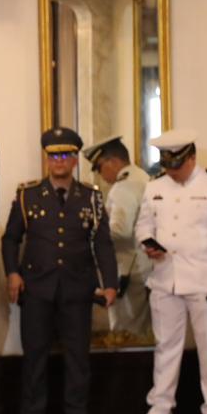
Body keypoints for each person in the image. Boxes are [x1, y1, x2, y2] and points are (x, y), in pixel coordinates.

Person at [1, 127, 117, 414]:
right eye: (54, 155)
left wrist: (110, 284)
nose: (60, 161)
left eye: (66, 155)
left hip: (77, 288)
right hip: (37, 288)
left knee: (78, 356)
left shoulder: (90, 197)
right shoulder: (27, 195)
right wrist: (12, 272)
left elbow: (102, 243)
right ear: (47, 158)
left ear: (76, 159)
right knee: (35, 355)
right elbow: (11, 239)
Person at [132, 129, 207, 414]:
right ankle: (161, 409)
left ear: (192, 157)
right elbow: (144, 224)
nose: (172, 171)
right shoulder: (154, 187)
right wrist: (147, 243)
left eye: (177, 164)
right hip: (166, 278)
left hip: (206, 281)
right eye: (167, 165)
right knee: (165, 347)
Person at [84, 136, 153, 337]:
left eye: (99, 167)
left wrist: (91, 233)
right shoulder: (141, 177)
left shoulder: (123, 187)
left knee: (125, 333)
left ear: (113, 162)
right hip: (143, 265)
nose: (99, 174)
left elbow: (120, 230)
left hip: (129, 269)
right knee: (142, 330)